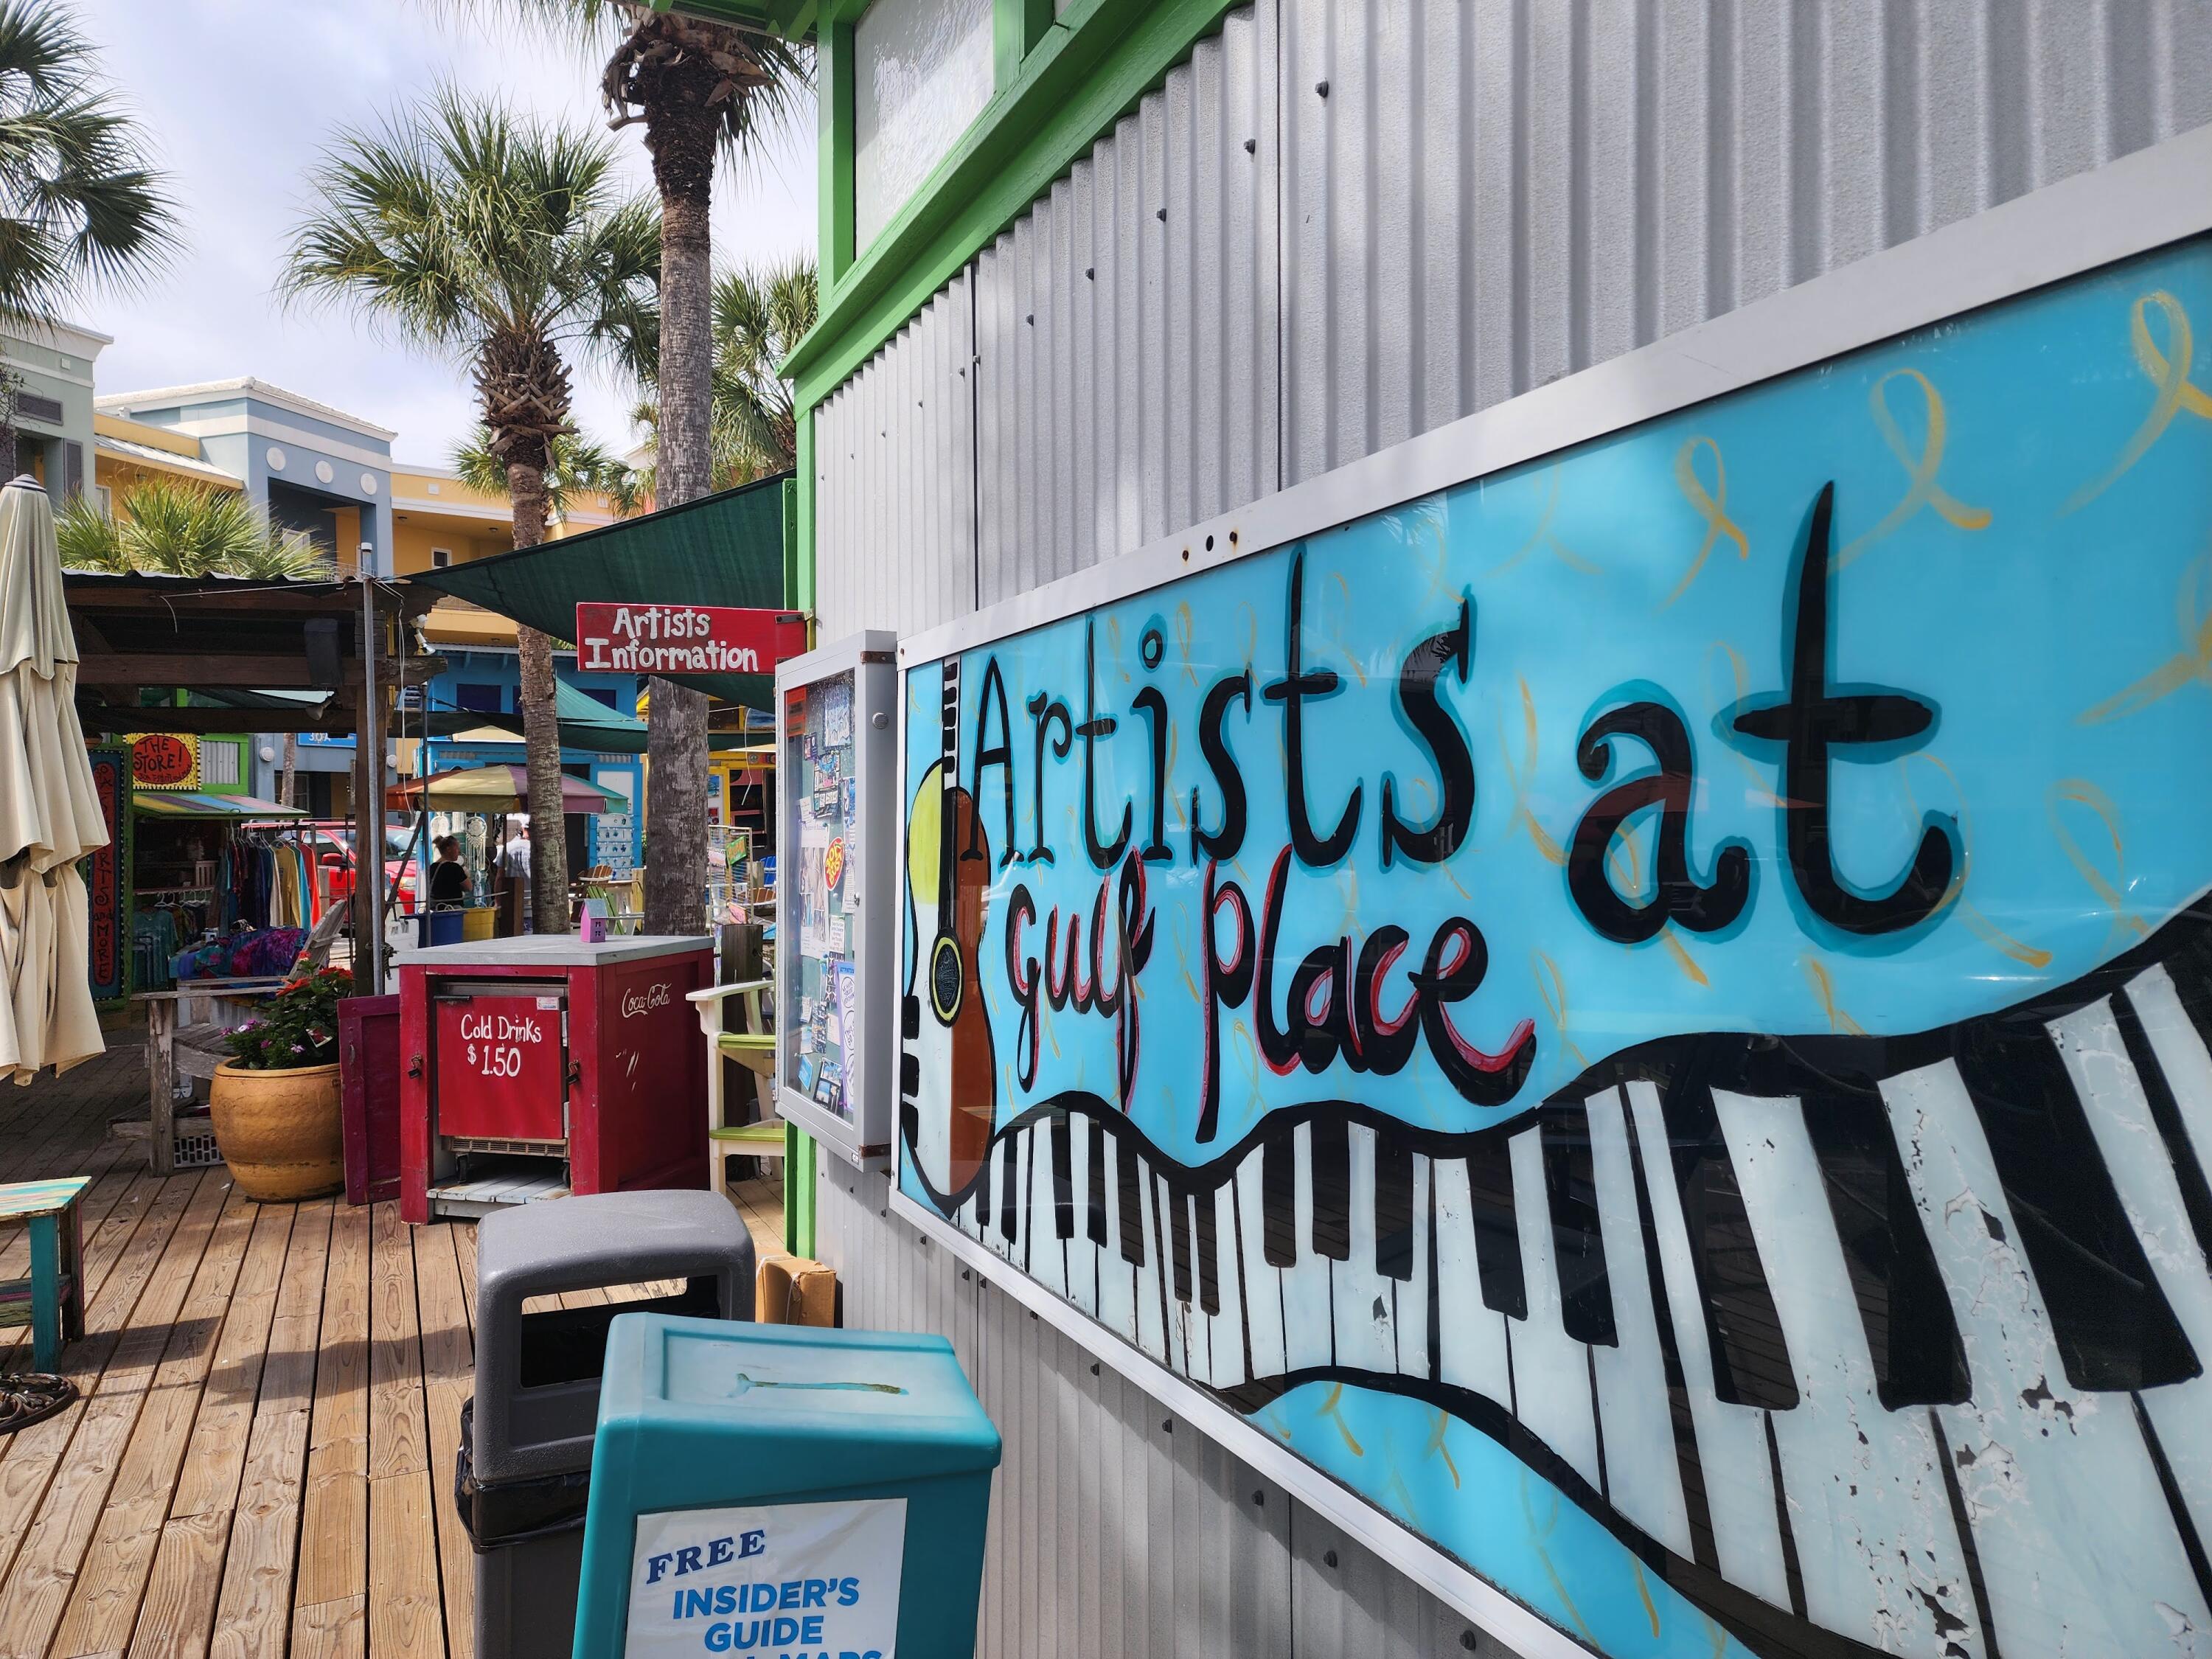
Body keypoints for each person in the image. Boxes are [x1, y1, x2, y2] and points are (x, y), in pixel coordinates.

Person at [427, 835, 468, 909]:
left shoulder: (431, 868)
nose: (459, 851)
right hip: (452, 909)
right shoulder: (455, 868)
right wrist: (466, 875)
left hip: (435, 908)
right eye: (457, 848)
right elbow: (469, 887)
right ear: (448, 849)